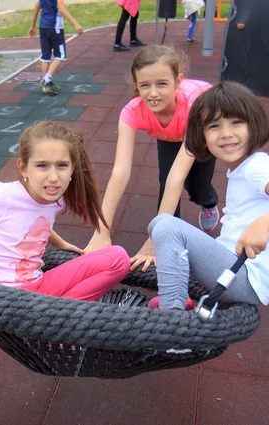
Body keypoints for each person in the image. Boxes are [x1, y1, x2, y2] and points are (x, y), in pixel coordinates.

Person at [147, 82, 269, 310]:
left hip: (246, 276)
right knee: (159, 224)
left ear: (253, 125)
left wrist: (263, 225)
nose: (226, 134)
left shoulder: (258, 169)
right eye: (214, 126)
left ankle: (172, 318)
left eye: (236, 122)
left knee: (167, 226)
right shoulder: (242, 168)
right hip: (232, 264)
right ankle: (178, 301)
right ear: (202, 137)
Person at [0, 121, 130, 301]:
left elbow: (36, 225)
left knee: (119, 259)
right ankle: (61, 318)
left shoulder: (55, 200)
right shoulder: (0, 196)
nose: (53, 177)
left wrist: (63, 244)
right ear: (23, 168)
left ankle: (59, 315)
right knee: (117, 257)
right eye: (42, 165)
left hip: (35, 291)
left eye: (62, 166)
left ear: (72, 169)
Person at [84, 45, 219, 271]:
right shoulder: (132, 111)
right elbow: (120, 171)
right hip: (168, 133)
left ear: (178, 82)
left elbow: (179, 176)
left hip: (201, 128)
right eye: (145, 85)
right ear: (136, 85)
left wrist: (153, 240)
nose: (153, 93)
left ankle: (209, 202)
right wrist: (102, 230)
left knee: (196, 185)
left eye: (162, 84)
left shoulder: (197, 106)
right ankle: (169, 235)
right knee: (166, 182)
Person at [28, 0, 83, 94]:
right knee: (60, 56)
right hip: (55, 27)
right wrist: (75, 23)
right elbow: (61, 9)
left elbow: (37, 6)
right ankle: (46, 80)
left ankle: (46, 86)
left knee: (45, 56)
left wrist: (32, 26)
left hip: (43, 27)